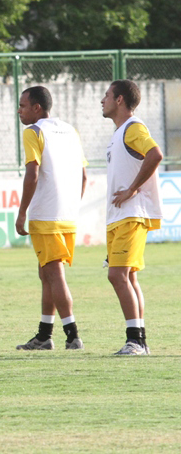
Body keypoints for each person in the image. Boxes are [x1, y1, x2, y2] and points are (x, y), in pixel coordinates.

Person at [14, 86, 86, 351]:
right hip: (67, 214)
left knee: (54, 274)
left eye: (22, 106)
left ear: (37, 108)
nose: (19, 111)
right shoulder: (70, 131)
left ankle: (72, 334)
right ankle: (44, 336)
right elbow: (84, 175)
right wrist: (70, 206)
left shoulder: (33, 132)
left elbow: (32, 174)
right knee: (46, 274)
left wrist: (22, 212)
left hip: (46, 216)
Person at [101, 80, 163, 356]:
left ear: (120, 100)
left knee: (118, 275)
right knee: (129, 278)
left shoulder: (133, 128)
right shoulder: (118, 133)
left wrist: (133, 188)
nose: (102, 100)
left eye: (106, 95)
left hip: (131, 214)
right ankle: (139, 340)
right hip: (117, 216)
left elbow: (155, 154)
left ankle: (136, 341)